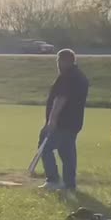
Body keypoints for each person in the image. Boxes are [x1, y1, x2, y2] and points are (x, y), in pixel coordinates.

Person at [39, 49, 89, 191]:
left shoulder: (67, 77)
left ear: (63, 61)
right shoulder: (81, 77)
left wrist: (52, 120)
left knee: (45, 147)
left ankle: (53, 179)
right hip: (74, 122)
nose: (57, 64)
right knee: (67, 152)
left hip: (61, 122)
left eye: (58, 61)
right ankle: (69, 184)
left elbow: (61, 98)